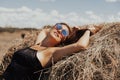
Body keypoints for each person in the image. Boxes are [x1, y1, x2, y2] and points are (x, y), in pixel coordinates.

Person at [3, 22, 101, 80]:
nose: (59, 31)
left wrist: (88, 30)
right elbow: (44, 30)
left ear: (63, 40)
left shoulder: (52, 52)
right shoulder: (37, 44)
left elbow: (81, 45)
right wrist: (72, 30)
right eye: (58, 27)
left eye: (64, 32)